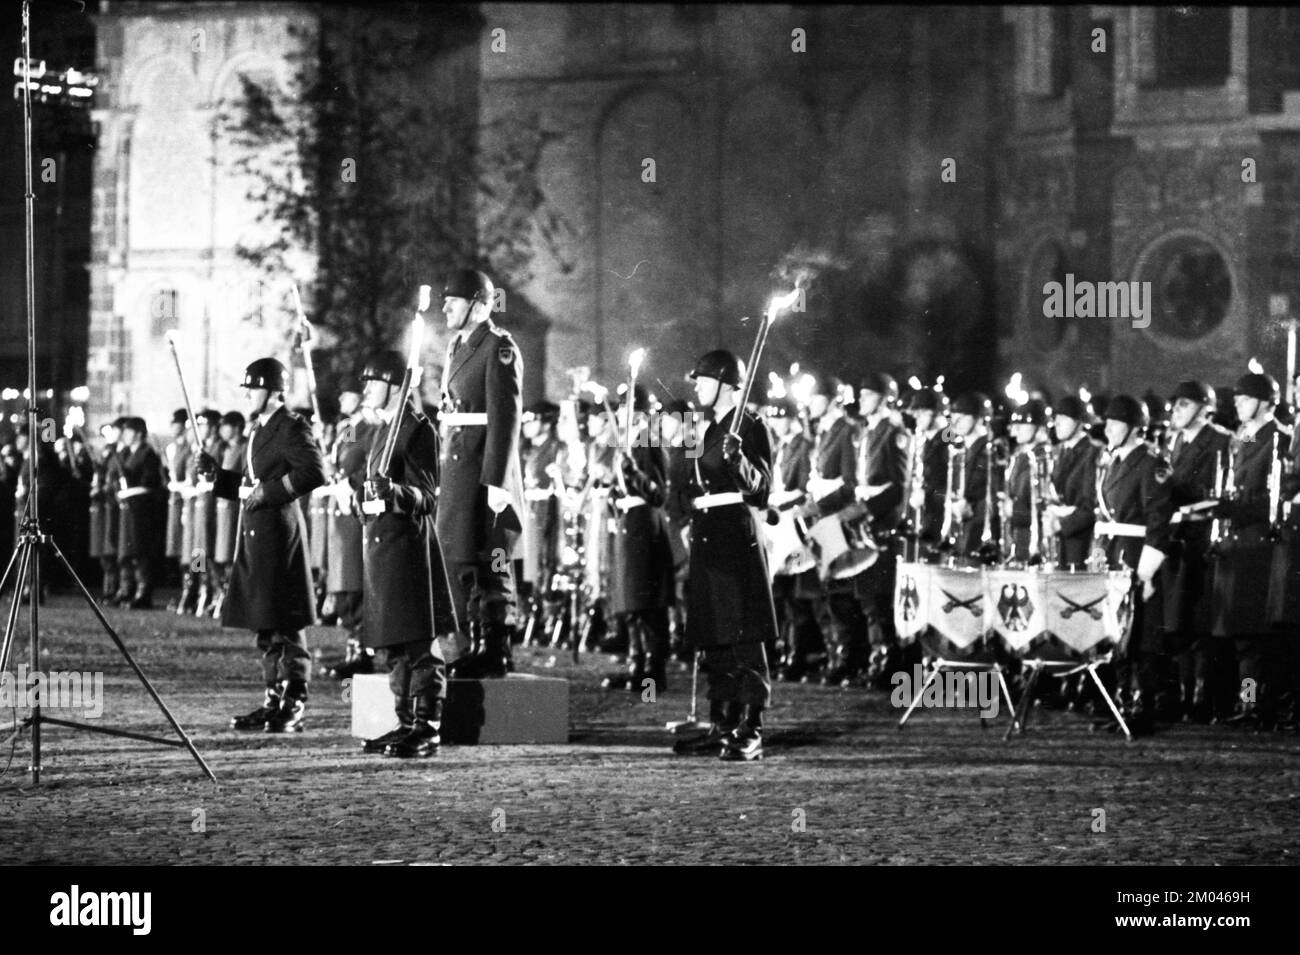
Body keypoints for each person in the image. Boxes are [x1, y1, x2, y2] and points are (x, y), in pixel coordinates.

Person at [197, 358, 325, 733]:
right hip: (255, 533)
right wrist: (218, 476)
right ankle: (273, 698)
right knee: (265, 623)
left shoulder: (289, 427)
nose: (248, 394)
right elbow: (250, 484)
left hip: (278, 534)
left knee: (286, 621)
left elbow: (313, 472)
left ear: (273, 391)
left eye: (254, 388)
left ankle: (294, 701)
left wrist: (269, 492)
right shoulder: (260, 429)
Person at [672, 348, 777, 761]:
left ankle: (751, 725)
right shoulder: (702, 428)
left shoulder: (751, 425)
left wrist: (739, 460)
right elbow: (689, 480)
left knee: (744, 631)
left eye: (703, 379)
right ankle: (722, 720)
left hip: (736, 531)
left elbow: (763, 488)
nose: (696, 385)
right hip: (706, 533)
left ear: (725, 383)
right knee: (713, 630)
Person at [355, 350, 459, 758]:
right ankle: (404, 721)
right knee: (393, 643)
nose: (366, 389)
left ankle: (427, 725)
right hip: (381, 544)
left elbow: (429, 497)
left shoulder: (418, 429)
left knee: (418, 642)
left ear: (394, 385)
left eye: (372, 381)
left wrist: (394, 493)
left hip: (408, 546)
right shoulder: (381, 429)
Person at [435, 268, 525, 679]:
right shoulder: (456, 347)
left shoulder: (498, 347)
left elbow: (505, 418)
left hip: (484, 468)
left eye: (453, 300)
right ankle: (472, 641)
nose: (445, 307)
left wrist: (497, 482)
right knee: (460, 556)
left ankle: (497, 646)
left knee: (492, 556)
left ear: (477, 304)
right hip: (458, 464)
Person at [1211, 371, 1288, 730]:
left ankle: (1256, 702)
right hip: (1239, 545)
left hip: (1261, 546)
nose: (1238, 403)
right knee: (1241, 637)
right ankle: (1248, 701)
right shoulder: (1243, 440)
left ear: (1263, 401)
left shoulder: (1279, 439)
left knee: (1255, 638)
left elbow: (1277, 496)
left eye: (1244, 398)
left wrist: (1238, 508)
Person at [1094, 394, 1174, 736]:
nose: (1108, 429)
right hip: (1114, 554)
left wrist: (1147, 570)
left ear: (1133, 428)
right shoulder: (1114, 461)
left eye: (1115, 423)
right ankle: (1121, 703)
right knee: (1119, 633)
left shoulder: (1150, 463)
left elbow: (1159, 520)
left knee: (1141, 637)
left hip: (1137, 554)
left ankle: (1143, 706)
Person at [1160, 381, 1232, 723]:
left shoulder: (1220, 439)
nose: (1176, 411)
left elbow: (1219, 489)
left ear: (1205, 409)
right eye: (1175, 405)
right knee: (1178, 620)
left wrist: (1177, 492)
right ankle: (1183, 691)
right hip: (1178, 534)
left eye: (1185, 405)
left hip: (1203, 533)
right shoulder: (1175, 440)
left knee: (1200, 617)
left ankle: (1201, 694)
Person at [602, 385, 675, 692]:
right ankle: (636, 665)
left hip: (645, 526)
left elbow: (659, 494)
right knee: (631, 604)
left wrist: (634, 476)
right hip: (628, 523)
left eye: (626, 407)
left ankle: (651, 673)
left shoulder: (649, 441)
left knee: (646, 605)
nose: (620, 413)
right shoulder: (627, 443)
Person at [323, 390, 379, 680]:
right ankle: (352, 648)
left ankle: (362, 651)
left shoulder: (370, 428)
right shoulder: (349, 429)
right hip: (339, 515)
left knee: (354, 585)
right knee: (343, 587)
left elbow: (371, 465)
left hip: (354, 513)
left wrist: (349, 482)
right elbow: (338, 464)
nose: (342, 400)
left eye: (349, 396)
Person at [115, 416, 165, 609]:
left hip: (142, 508)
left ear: (137, 433)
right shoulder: (127, 453)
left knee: (141, 551)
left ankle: (143, 591)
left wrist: (129, 491)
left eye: (128, 431)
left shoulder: (147, 454)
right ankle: (128, 589)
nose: (125, 435)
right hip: (129, 508)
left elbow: (149, 483)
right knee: (128, 552)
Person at [209, 411, 246, 620]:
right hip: (215, 506)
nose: (222, 430)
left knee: (229, 553)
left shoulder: (242, 447)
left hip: (232, 506)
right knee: (205, 553)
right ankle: (213, 591)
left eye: (227, 426)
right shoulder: (222, 448)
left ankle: (230, 595)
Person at [165, 409, 194, 610]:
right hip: (177, 503)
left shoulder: (191, 448)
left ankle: (195, 587)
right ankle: (186, 587)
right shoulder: (173, 448)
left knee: (195, 550)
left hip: (192, 503)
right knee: (179, 549)